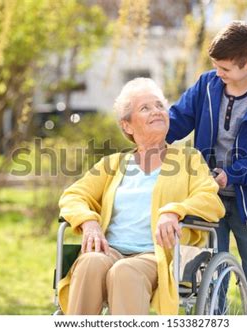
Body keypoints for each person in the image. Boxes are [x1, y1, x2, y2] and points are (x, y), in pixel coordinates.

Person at [57, 77, 225, 315]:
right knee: (89, 262)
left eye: (159, 105)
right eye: (145, 108)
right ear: (127, 125)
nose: (156, 112)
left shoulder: (189, 160)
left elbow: (210, 198)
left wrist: (174, 211)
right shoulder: (114, 164)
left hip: (158, 255)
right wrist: (88, 221)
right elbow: (73, 195)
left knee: (125, 271)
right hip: (111, 249)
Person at [167, 21, 247, 315]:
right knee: (207, 283)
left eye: (225, 69)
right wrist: (148, 130)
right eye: (215, 66)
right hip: (209, 198)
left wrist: (232, 174)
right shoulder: (207, 85)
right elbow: (178, 120)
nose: (219, 74)